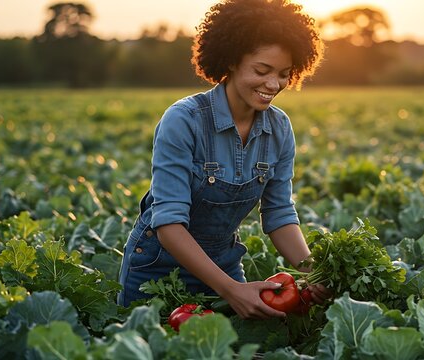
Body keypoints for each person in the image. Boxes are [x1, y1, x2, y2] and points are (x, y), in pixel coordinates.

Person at [118, 0, 328, 319]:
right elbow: (169, 223)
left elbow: (279, 213)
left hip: (225, 267)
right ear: (230, 61)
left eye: (284, 74)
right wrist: (231, 290)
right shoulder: (183, 120)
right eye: (262, 70)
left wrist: (313, 271)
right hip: (156, 274)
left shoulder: (279, 128)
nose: (274, 84)